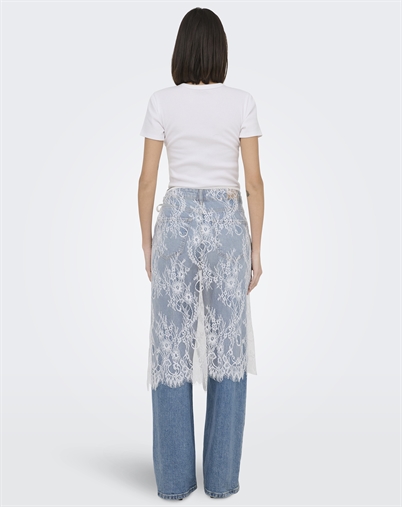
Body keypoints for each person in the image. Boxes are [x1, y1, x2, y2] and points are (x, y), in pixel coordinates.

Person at [138, 7, 264, 501]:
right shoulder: (242, 102)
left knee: (171, 348)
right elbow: (253, 183)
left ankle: (173, 481)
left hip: (175, 223)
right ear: (220, 51)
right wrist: (257, 249)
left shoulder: (161, 101)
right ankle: (221, 480)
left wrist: (146, 242)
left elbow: (147, 180)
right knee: (228, 349)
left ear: (181, 50)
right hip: (229, 224)